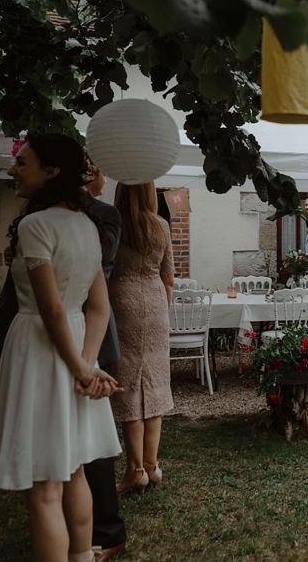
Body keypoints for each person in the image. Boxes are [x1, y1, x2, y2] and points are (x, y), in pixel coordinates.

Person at [0, 134, 122, 562]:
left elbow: (52, 311)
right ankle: (81, 556)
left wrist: (82, 368)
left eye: (22, 163)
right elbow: (98, 308)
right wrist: (88, 363)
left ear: (51, 171)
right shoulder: (87, 224)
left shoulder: (34, 224)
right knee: (74, 468)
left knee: (44, 485)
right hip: (76, 346)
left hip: (41, 350)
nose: (12, 170)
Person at [106, 181, 174, 495]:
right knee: (154, 382)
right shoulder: (160, 224)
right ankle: (151, 465)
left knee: (129, 383)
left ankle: (135, 471)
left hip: (122, 303)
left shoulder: (111, 223)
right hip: (157, 304)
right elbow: (168, 275)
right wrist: (164, 308)